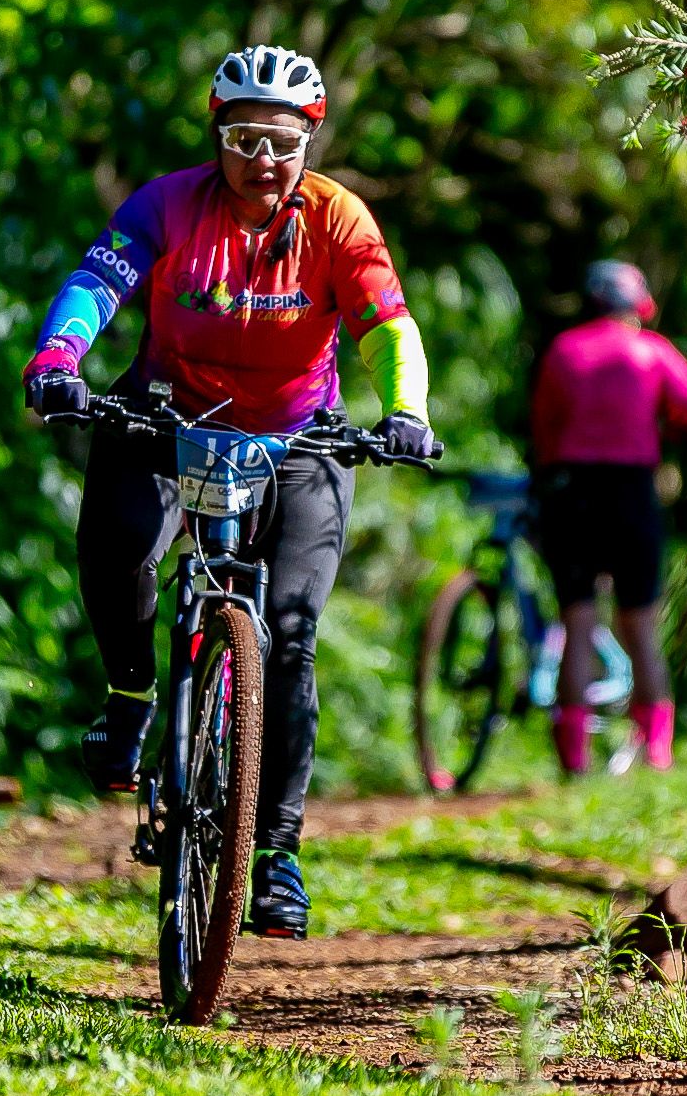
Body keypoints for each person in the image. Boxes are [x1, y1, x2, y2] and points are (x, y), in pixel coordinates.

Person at [22, 45, 436, 939]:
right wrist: (58, 358)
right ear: (218, 136)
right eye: (246, 138)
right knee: (119, 546)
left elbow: (386, 322)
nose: (264, 159)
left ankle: (276, 852)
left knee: (290, 633)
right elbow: (98, 282)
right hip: (167, 410)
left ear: (309, 143)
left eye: (283, 142)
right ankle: (132, 696)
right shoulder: (169, 204)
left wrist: (406, 409)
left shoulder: (339, 219)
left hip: (300, 435)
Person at [529, 259, 687, 776]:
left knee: (577, 621)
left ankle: (574, 758)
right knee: (640, 625)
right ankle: (657, 753)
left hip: (572, 495)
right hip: (632, 494)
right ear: (638, 304)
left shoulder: (563, 350)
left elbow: (544, 432)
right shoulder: (652, 351)